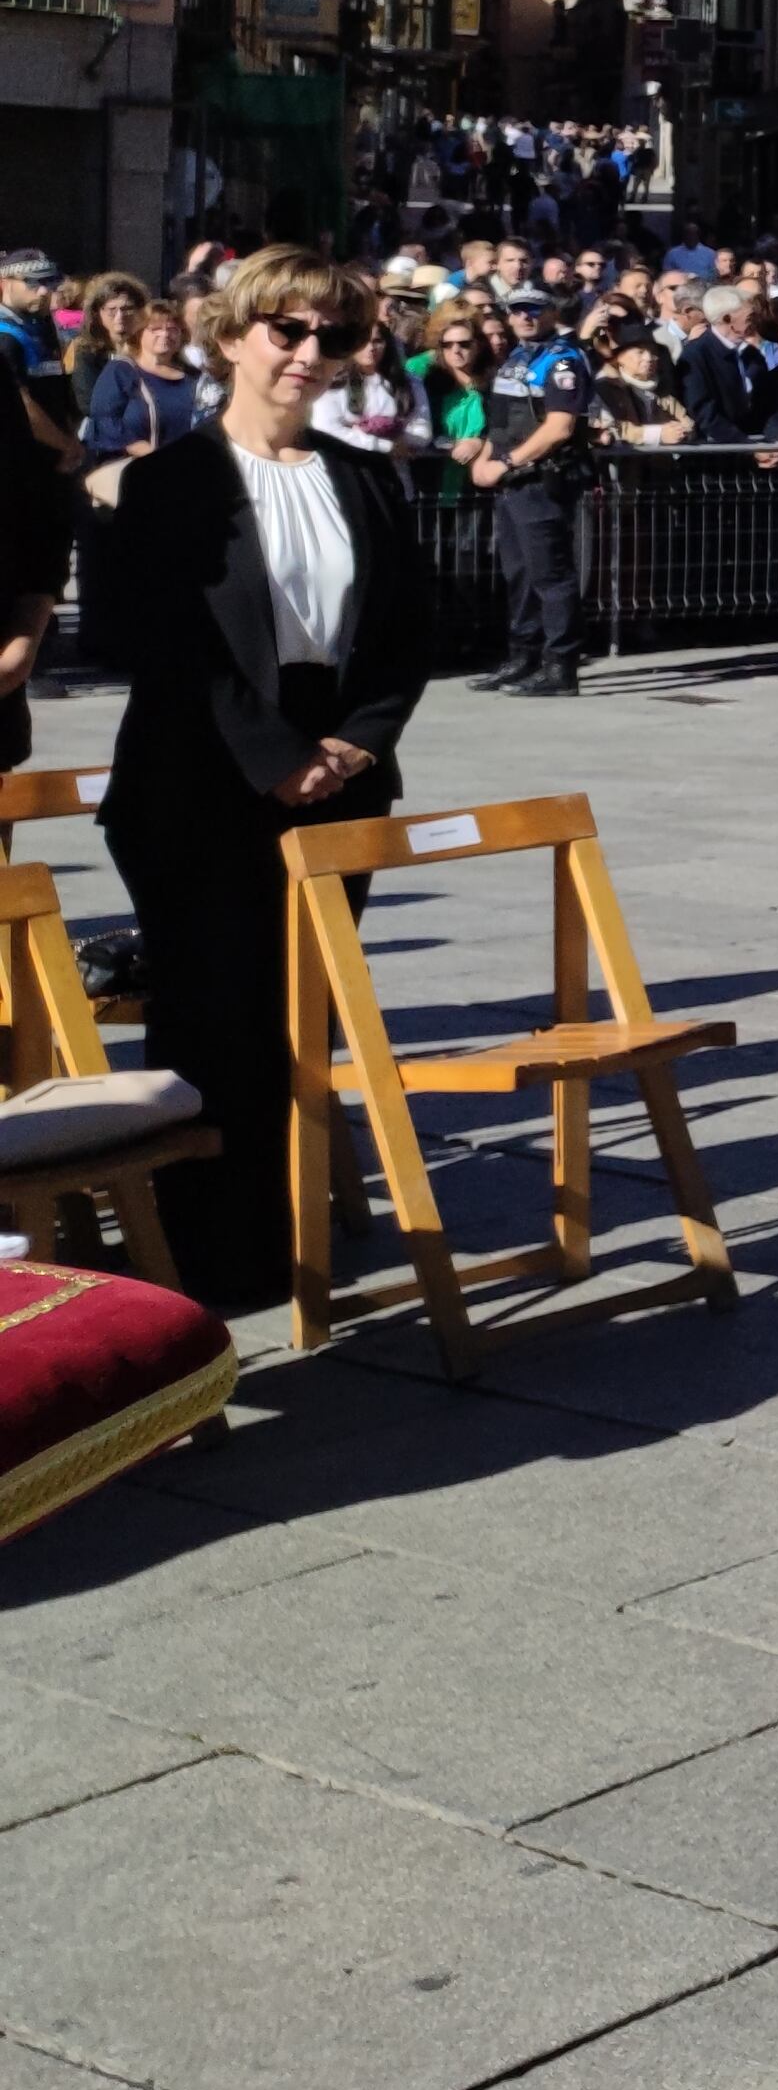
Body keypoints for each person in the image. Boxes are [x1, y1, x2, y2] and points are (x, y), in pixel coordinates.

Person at [95, 249, 437, 1311]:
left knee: (303, 1020)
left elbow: (409, 631)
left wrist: (355, 744)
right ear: (232, 338)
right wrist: (273, 757)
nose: (306, 356)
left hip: (337, 777)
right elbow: (151, 639)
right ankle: (201, 1263)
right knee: (212, 1021)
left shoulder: (366, 476)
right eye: (284, 332)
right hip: (197, 783)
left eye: (331, 338)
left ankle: (297, 1240)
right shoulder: (168, 480)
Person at [469, 294, 596, 697]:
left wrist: (506, 464)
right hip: (514, 482)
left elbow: (559, 427)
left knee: (550, 575)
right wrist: (486, 459)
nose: (524, 316)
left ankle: (561, 666)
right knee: (520, 574)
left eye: (534, 310)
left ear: (553, 314)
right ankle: (523, 656)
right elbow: (503, 422)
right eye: (516, 310)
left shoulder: (562, 360)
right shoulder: (516, 360)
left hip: (542, 479)